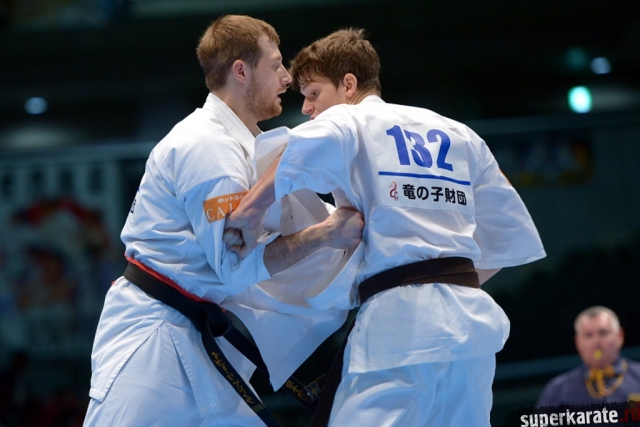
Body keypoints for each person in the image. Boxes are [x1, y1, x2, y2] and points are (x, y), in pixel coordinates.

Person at [224, 28, 547, 427]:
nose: (307, 108)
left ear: (348, 85)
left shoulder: (351, 118)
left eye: (313, 93)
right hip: (470, 327)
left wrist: (249, 211)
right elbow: (507, 238)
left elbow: (294, 151)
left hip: (399, 325)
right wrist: (442, 285)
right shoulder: (459, 133)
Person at [83, 16, 364, 427]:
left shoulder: (246, 146)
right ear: (241, 71)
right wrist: (326, 234)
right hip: (154, 340)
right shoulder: (207, 147)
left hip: (200, 331)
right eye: (275, 65)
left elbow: (297, 220)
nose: (286, 78)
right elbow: (233, 268)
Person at [536, 306, 640, 407]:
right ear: (577, 342)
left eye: (603, 333)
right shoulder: (558, 390)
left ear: (619, 336)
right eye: (588, 335)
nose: (596, 342)